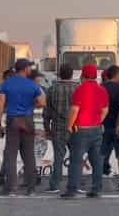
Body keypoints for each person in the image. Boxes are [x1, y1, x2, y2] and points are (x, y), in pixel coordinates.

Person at [0, 59, 46, 196]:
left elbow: (0, 103)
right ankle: (31, 188)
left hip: (13, 120)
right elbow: (43, 102)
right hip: (27, 120)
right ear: (24, 69)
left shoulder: (7, 83)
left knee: (11, 155)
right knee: (29, 155)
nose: (30, 70)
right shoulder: (32, 85)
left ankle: (11, 188)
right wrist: (31, 106)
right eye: (29, 68)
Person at [61, 64, 109, 199]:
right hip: (96, 130)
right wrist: (97, 121)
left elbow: (75, 110)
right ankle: (97, 189)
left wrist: (70, 125)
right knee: (97, 162)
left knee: (76, 161)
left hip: (81, 130)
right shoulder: (102, 91)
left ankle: (72, 190)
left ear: (83, 76)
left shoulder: (80, 90)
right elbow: (105, 110)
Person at [44, 63, 78, 193]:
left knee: (58, 157)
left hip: (57, 127)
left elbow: (47, 113)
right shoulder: (77, 88)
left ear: (59, 74)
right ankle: (75, 183)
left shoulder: (52, 89)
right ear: (72, 74)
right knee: (76, 157)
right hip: (75, 127)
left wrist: (47, 129)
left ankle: (55, 185)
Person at [101, 65, 119, 191]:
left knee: (101, 153)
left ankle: (98, 180)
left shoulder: (101, 88)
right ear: (116, 75)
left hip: (103, 126)